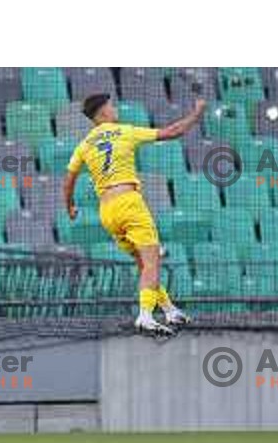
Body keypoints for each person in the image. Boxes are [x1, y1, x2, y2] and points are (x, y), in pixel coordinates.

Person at [64, 93, 206, 335]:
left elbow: (68, 180)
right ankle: (145, 316)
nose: (114, 108)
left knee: (144, 264)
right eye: (111, 105)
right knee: (153, 262)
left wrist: (70, 206)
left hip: (107, 212)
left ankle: (169, 310)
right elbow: (173, 131)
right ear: (103, 113)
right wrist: (197, 113)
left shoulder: (85, 144)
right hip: (129, 204)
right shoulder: (125, 131)